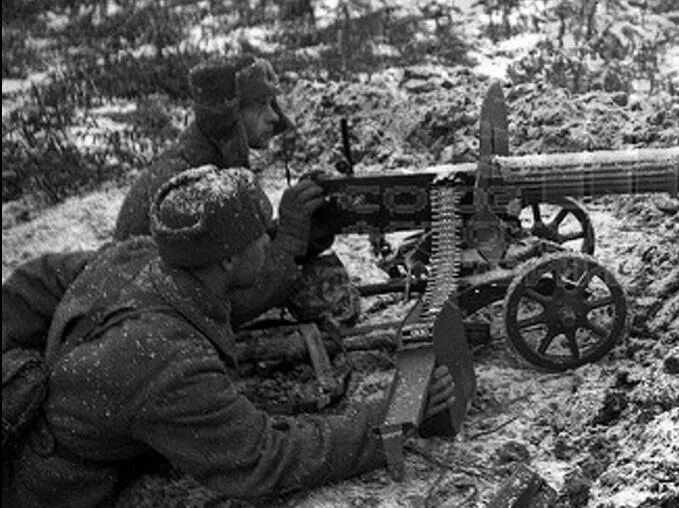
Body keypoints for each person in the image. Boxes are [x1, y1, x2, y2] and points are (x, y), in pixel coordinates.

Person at [3, 165, 455, 507]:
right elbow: (263, 459)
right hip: (63, 493)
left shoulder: (138, 258)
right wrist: (389, 415)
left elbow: (36, 279)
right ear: (225, 260)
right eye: (261, 234)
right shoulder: (162, 361)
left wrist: (299, 239)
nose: (268, 240)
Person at [112, 56, 354, 327]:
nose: (274, 116)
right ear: (231, 116)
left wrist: (305, 229)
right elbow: (216, 302)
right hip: (152, 325)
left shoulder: (208, 166)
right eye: (261, 105)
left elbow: (229, 254)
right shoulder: (189, 186)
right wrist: (287, 240)